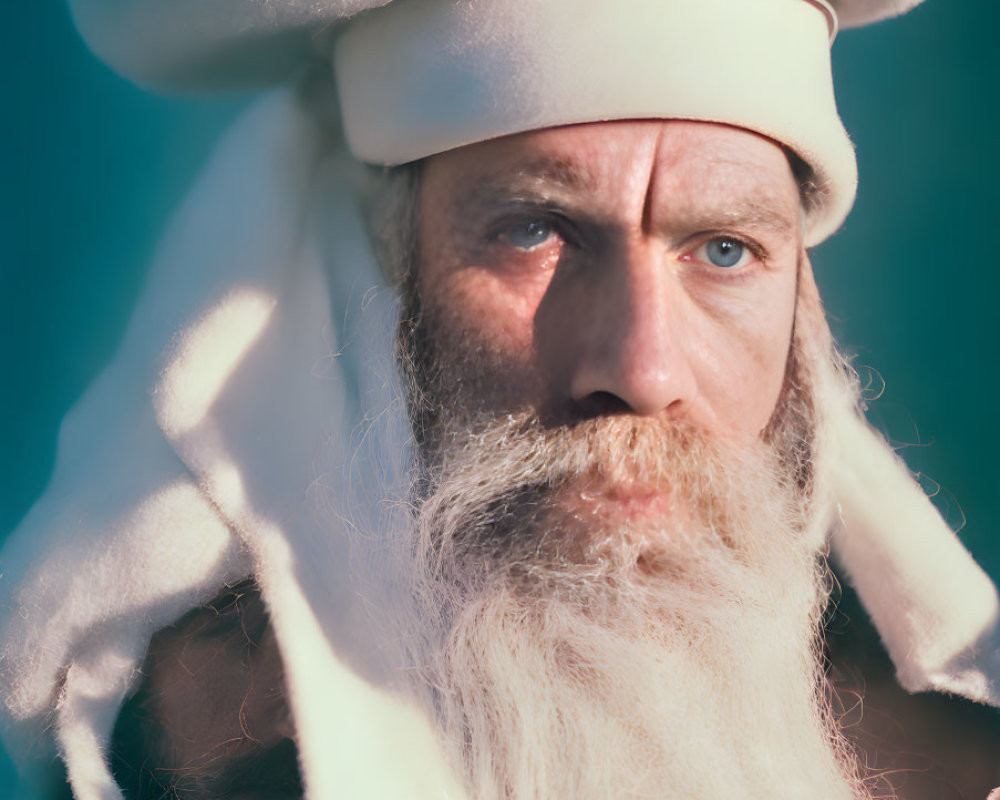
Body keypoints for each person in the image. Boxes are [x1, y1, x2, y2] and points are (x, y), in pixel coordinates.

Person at [1, 1, 999, 798]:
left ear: (802, 316)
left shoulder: (948, 758)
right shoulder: (220, 743)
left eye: (724, 250)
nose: (641, 371)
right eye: (534, 231)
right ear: (376, 278)